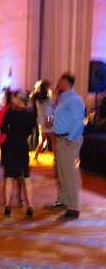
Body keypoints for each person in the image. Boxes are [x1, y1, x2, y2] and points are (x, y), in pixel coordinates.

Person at [50, 72, 85, 220]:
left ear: (65, 82)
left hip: (68, 140)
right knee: (62, 172)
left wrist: (70, 138)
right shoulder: (63, 98)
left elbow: (78, 121)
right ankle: (64, 200)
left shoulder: (74, 99)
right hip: (61, 139)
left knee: (70, 174)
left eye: (59, 81)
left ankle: (74, 207)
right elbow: (64, 118)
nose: (57, 83)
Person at [0, 89, 36, 217]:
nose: (11, 100)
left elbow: (3, 129)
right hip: (23, 146)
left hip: (10, 145)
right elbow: (30, 130)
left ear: (17, 99)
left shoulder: (10, 113)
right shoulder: (30, 114)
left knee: (9, 177)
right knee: (26, 177)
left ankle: (7, 205)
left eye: (13, 98)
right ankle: (30, 206)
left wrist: (11, 129)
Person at [32, 81, 56, 162]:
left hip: (41, 121)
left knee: (42, 139)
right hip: (49, 121)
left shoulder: (37, 101)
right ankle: (55, 157)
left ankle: (36, 155)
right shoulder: (49, 101)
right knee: (53, 140)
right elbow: (54, 108)